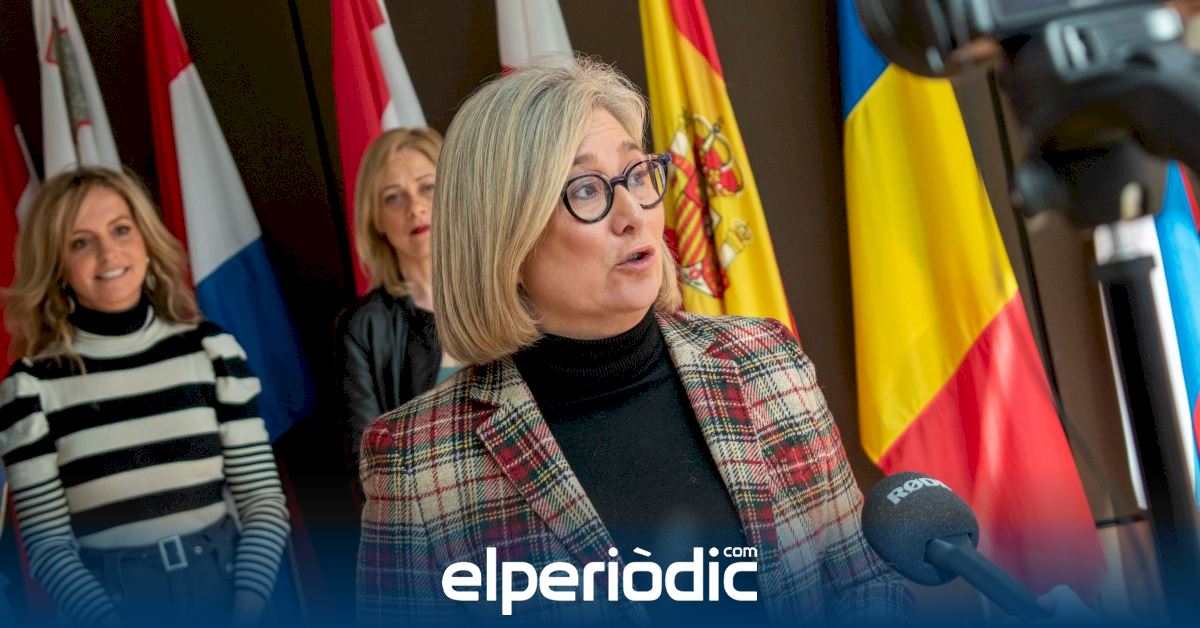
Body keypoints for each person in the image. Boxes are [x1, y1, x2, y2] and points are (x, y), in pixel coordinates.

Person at [356, 58, 913, 625]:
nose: (633, 214)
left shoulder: (764, 360)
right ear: (504, 236)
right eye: (586, 189)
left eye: (638, 175)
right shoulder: (414, 465)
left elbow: (863, 579)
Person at [0, 168, 290, 626]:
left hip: (230, 593)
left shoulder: (212, 352)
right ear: (56, 264)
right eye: (80, 242)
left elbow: (262, 501)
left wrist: (247, 609)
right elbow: (48, 545)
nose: (107, 253)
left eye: (120, 229)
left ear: (146, 240)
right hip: (112, 608)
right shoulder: (30, 387)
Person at [337, 128, 460, 468]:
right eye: (393, 197)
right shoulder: (363, 328)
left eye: (427, 187)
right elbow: (368, 463)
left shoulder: (507, 291)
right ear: (376, 219)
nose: (415, 208)